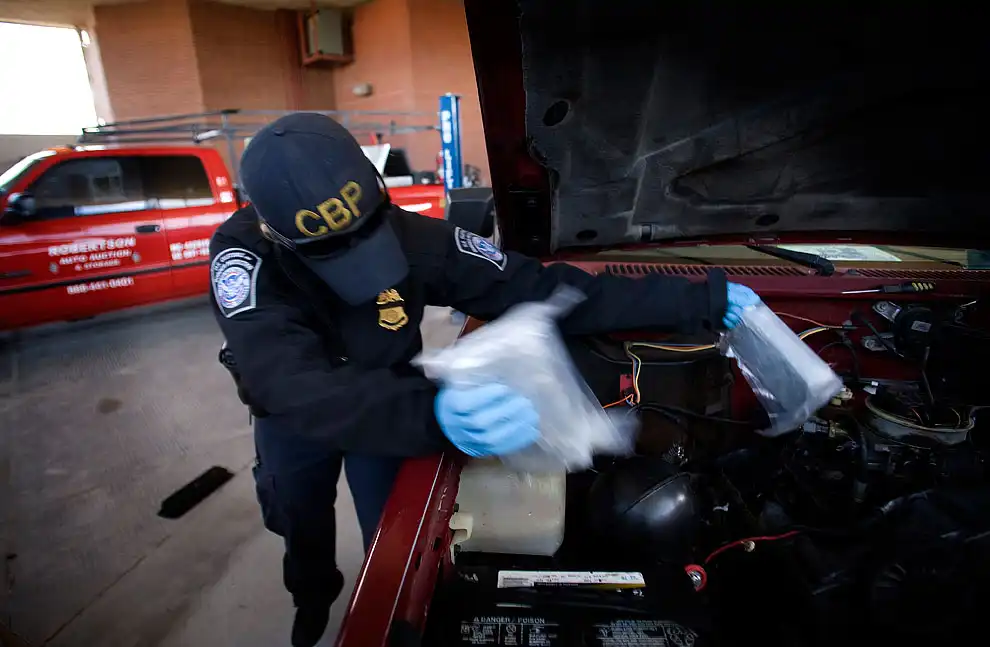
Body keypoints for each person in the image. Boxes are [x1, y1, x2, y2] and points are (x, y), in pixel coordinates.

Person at [208, 112, 761, 647]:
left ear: (378, 193)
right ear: (272, 231)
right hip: (301, 417)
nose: (361, 257)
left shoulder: (413, 238)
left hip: (391, 406)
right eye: (335, 252)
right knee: (299, 518)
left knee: (395, 536)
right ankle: (312, 599)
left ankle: (370, 598)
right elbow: (288, 383)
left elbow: (541, 290)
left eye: (367, 234)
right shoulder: (244, 261)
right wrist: (431, 412)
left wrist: (696, 299)